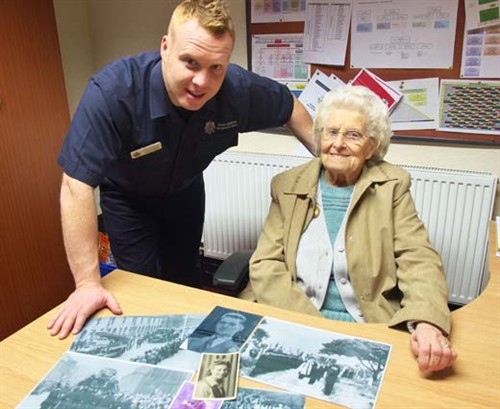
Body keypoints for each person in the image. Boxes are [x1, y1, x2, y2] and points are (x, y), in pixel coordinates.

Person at [48, 0, 314, 340]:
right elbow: (76, 185)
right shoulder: (114, 93)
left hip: (185, 191)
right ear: (165, 47)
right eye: (190, 62)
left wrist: (334, 162)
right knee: (138, 288)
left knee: (186, 279)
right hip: (129, 199)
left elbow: (289, 106)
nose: (201, 81)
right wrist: (86, 283)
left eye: (216, 67)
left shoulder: (237, 89)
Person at [239, 85, 458, 373]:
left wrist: (427, 320)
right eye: (331, 132)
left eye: (353, 135)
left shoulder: (392, 186)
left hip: (367, 324)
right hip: (293, 315)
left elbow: (418, 258)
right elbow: (267, 263)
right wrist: (310, 325)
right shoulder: (287, 185)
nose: (338, 144)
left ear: (372, 145)